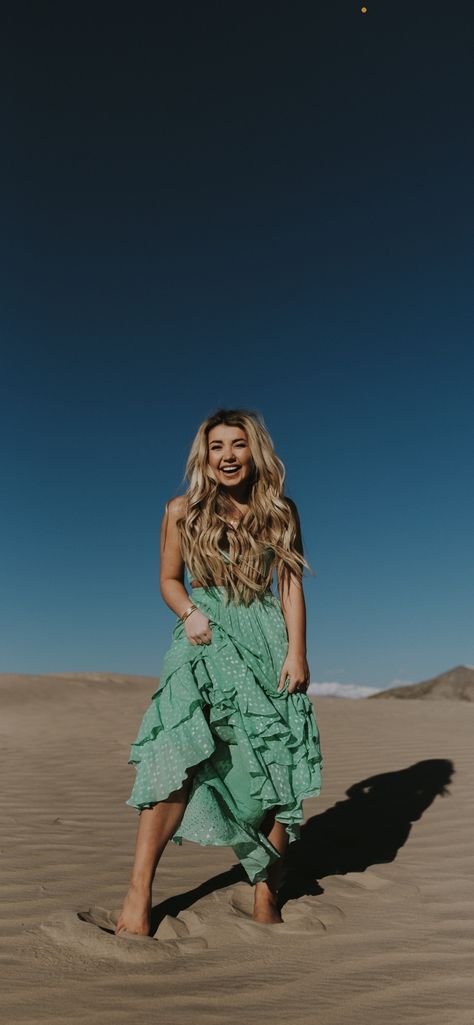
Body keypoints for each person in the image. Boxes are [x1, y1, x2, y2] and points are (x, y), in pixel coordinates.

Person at [115, 407, 322, 935]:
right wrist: (191, 615)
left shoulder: (281, 511)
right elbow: (168, 580)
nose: (227, 456)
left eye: (238, 445)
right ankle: (138, 894)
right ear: (204, 456)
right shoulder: (181, 510)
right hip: (202, 638)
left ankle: (265, 891)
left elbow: (291, 586)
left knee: (276, 765)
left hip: (265, 639)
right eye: (217, 447)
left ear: (255, 452)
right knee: (175, 754)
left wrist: (297, 652)